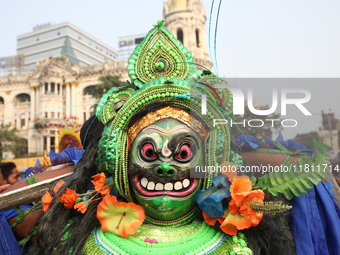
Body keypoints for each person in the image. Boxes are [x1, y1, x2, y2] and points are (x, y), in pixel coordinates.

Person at [29, 20, 337, 255]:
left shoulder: (239, 238)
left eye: (184, 152)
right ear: (120, 159)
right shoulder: (77, 238)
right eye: (148, 152)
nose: (165, 167)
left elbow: (304, 165)